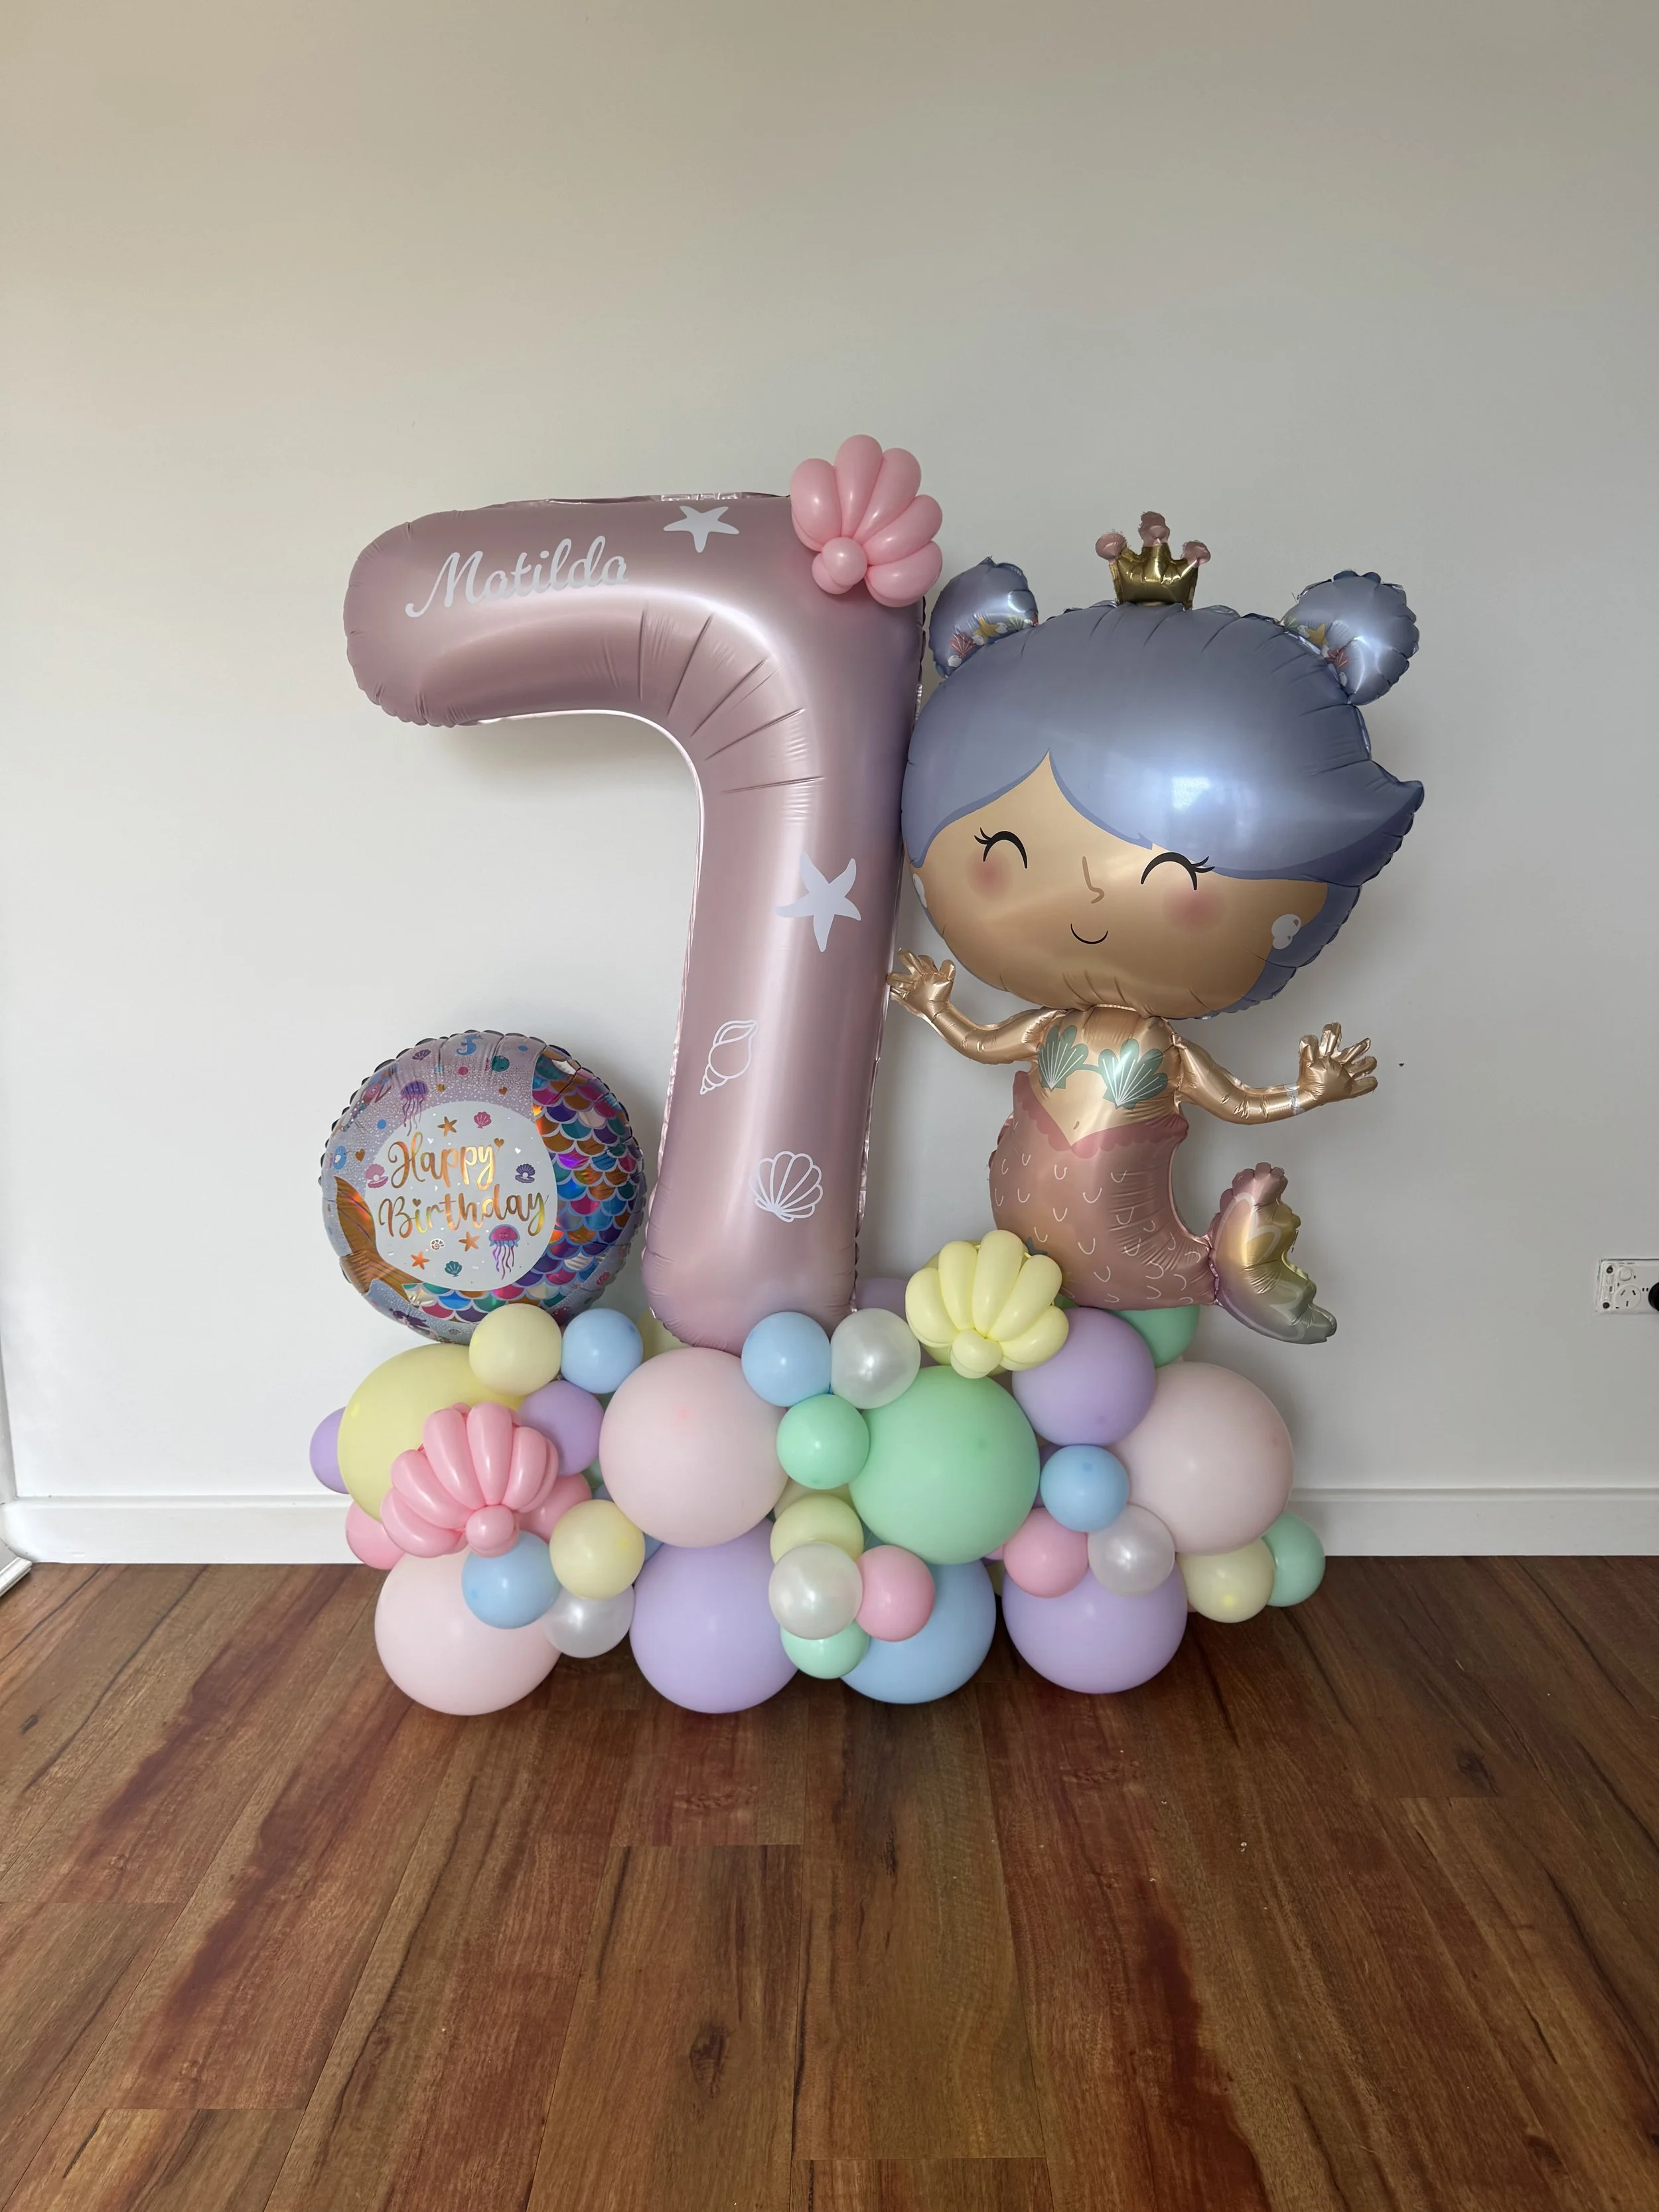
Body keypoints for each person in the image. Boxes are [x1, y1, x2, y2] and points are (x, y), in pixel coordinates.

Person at [890, 515, 1423, 1344]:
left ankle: (1227, 1264)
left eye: (1174, 878)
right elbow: (988, 1042)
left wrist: (1308, 1094)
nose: (1087, 905)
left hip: (1128, 1257)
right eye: (1002, 851)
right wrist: (934, 1007)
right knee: (1017, 1316)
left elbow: (1239, 1105)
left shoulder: (1166, 1056)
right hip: (1017, 1261)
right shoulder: (1050, 1027)